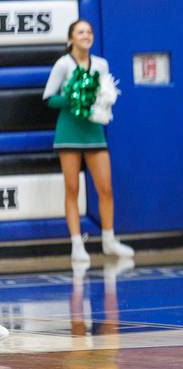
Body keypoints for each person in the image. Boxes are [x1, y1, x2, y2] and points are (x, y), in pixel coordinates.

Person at [42, 19, 134, 262]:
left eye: (89, 31)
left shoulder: (101, 65)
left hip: (94, 133)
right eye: (80, 32)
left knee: (105, 188)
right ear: (71, 38)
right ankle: (76, 244)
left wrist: (104, 100)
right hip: (69, 133)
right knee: (72, 189)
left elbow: (105, 93)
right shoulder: (63, 64)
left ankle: (109, 240)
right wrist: (74, 99)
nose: (86, 35)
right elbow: (48, 98)